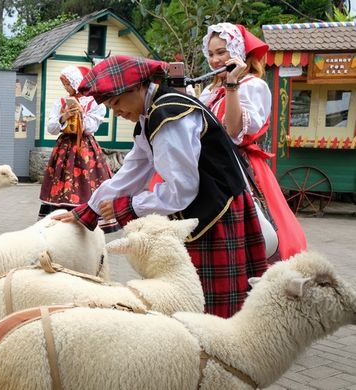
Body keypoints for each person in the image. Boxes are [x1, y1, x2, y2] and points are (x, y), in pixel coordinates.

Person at [53, 55, 268, 318]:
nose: (117, 112)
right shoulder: (151, 114)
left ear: (138, 86)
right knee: (201, 303)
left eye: (118, 102)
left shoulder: (168, 116)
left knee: (216, 311)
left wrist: (130, 206)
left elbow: (182, 189)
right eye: (110, 106)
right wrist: (88, 209)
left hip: (218, 214)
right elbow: (133, 169)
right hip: (207, 210)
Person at [200, 22, 306, 261]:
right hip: (209, 166)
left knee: (250, 235)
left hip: (239, 166)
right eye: (211, 54)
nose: (215, 60)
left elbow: (234, 131)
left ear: (238, 52)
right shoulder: (210, 90)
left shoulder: (252, 86)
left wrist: (231, 85)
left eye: (221, 52)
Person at [38, 66, 119, 232]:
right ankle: (60, 220)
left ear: (78, 83)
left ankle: (88, 219)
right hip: (64, 147)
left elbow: (90, 128)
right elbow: (51, 128)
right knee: (62, 180)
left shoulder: (95, 103)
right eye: (64, 85)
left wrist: (80, 113)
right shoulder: (60, 102)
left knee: (87, 181)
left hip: (85, 149)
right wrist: (64, 116)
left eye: (68, 84)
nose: (66, 88)